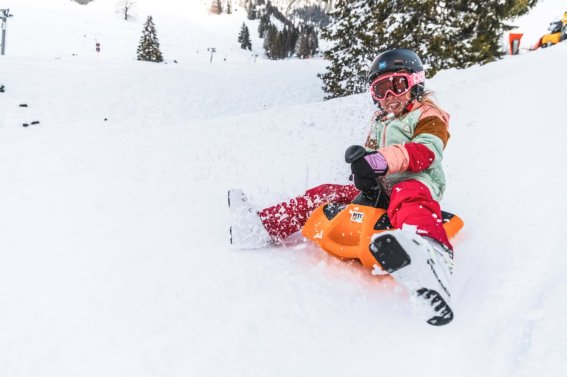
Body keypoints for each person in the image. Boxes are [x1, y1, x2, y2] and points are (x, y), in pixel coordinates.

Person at [229, 48, 456, 323]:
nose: (389, 97)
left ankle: (431, 257)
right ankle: (259, 227)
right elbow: (372, 155)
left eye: (397, 85)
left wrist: (378, 162)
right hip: (381, 187)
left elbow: (426, 151)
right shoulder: (379, 120)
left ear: (416, 83)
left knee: (407, 196)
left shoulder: (428, 114)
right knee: (325, 193)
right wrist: (362, 171)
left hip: (416, 181)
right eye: (380, 89)